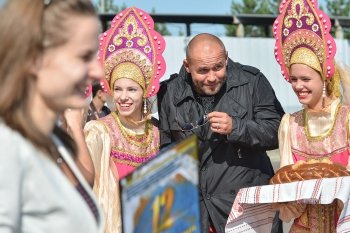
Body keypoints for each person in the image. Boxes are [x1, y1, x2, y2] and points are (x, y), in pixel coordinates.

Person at [157, 33, 284, 233]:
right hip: (196, 212)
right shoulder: (168, 92)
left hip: (248, 209)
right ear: (187, 66)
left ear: (226, 58)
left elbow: (279, 131)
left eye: (218, 67)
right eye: (203, 70)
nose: (212, 77)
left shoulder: (252, 81)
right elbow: (166, 150)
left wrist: (237, 127)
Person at [0, 0, 103, 232]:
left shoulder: (55, 141)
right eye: (83, 57)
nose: (98, 71)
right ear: (35, 58)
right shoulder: (6, 145)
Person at [72, 7, 166, 233]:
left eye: (132, 89)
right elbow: (79, 182)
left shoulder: (158, 132)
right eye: (118, 89)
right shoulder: (98, 131)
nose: (123, 97)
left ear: (144, 92)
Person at [272, 0, 350, 231]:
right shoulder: (290, 124)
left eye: (306, 79)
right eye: (293, 79)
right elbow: (284, 183)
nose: (298, 86)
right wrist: (285, 201)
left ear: (323, 79)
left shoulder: (346, 120)